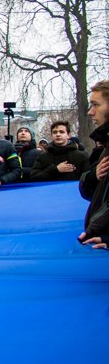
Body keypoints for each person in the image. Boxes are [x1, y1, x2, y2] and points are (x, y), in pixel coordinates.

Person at [79, 81, 109, 249]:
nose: (90, 112)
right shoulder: (103, 147)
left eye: (96, 105)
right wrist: (93, 176)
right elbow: (87, 190)